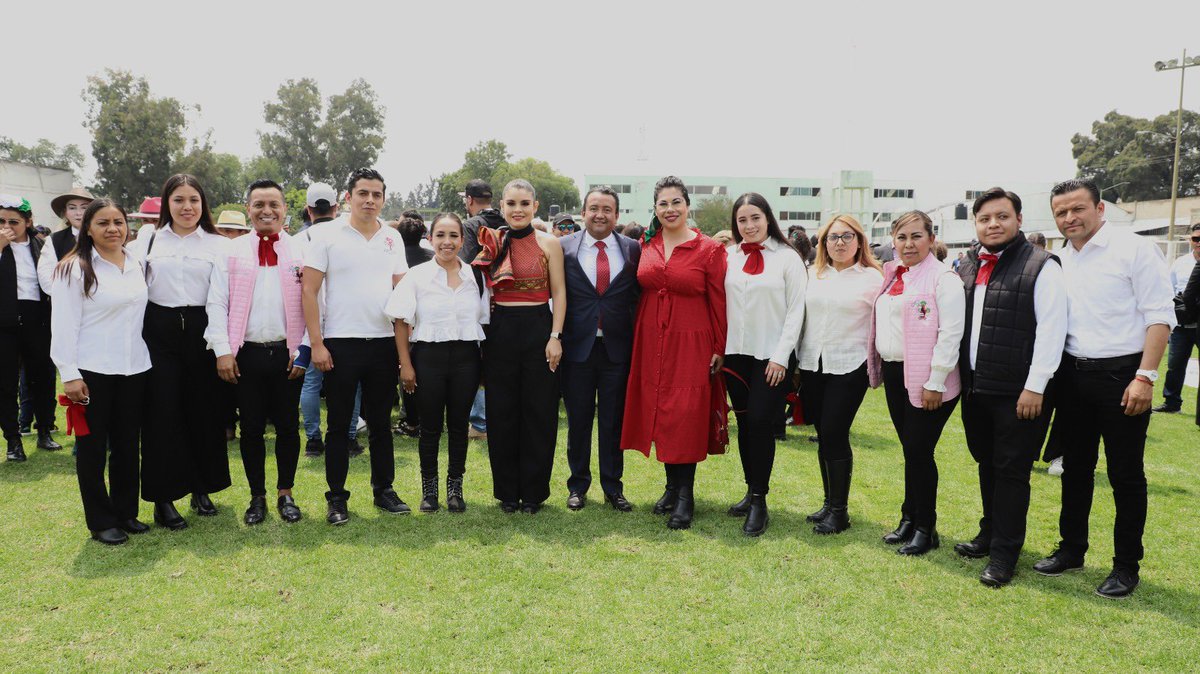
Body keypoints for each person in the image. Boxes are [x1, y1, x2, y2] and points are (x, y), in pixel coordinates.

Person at [1034, 178, 1175, 599]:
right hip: (1073, 377)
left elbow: (1159, 317)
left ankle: (1126, 566)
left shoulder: (1134, 250)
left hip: (1123, 376)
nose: (1069, 218)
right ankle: (1071, 549)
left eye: (1077, 208)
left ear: (1100, 209)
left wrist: (1145, 377)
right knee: (1075, 468)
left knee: (1125, 474)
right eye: (1061, 212)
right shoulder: (1061, 259)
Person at [955, 187, 1067, 588]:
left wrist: (1035, 386)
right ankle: (989, 532)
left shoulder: (1041, 265)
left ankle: (1005, 553)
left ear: (1018, 219)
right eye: (985, 218)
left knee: (1012, 471)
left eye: (1001, 216)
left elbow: (1052, 331)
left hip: (1020, 392)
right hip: (976, 387)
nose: (993, 224)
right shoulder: (967, 264)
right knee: (987, 462)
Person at [303, 168, 410, 525]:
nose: (369, 200)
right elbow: (309, 291)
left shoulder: (392, 238)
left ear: (383, 198)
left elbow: (403, 295)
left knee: (380, 423)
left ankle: (384, 491)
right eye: (363, 193)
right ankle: (336, 497)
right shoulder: (327, 235)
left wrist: (402, 351)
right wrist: (316, 344)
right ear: (347, 196)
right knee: (338, 427)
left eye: (376, 194)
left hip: (382, 344)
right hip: (340, 344)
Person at [622, 176, 728, 530]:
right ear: (655, 208)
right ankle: (670, 487)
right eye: (663, 204)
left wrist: (718, 346)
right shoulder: (646, 243)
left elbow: (718, 300)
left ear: (687, 206)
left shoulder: (708, 249)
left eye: (676, 202)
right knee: (660, 412)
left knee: (685, 414)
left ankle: (686, 494)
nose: (670, 209)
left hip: (691, 339)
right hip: (652, 338)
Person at [205, 180, 309, 525]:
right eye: (259, 204)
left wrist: (305, 349)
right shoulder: (231, 252)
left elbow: (316, 304)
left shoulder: (301, 250)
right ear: (248, 209)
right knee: (250, 429)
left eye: (274, 205)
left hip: (288, 354)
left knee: (288, 428)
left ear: (285, 210)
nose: (267, 211)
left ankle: (286, 493)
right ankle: (257, 496)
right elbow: (217, 302)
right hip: (245, 354)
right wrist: (222, 350)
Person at [51, 199, 152, 544]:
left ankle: (126, 512)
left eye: (118, 222)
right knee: (92, 450)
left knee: (127, 445)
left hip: (135, 368)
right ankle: (100, 520)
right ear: (87, 229)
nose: (112, 229)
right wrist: (69, 373)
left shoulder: (136, 262)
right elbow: (63, 326)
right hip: (92, 372)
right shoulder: (74, 268)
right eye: (103, 223)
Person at [867, 210, 965, 556]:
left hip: (928, 378)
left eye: (916, 236)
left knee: (920, 451)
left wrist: (936, 379)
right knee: (911, 450)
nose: (908, 244)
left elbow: (951, 333)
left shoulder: (943, 279)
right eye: (902, 237)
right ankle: (909, 518)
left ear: (931, 239)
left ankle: (927, 527)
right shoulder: (893, 274)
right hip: (897, 374)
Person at [137, 174, 232, 530]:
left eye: (194, 199)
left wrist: (221, 347)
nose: (187, 207)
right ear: (167, 203)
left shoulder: (217, 244)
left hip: (201, 330)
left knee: (203, 412)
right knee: (162, 414)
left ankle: (201, 487)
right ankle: (163, 498)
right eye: (179, 200)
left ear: (203, 204)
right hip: (158, 332)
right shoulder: (148, 239)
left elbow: (220, 299)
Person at [471, 179, 566, 514]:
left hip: (540, 329)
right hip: (501, 332)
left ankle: (534, 494)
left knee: (539, 413)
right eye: (511, 204)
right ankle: (507, 493)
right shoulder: (492, 242)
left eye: (524, 203)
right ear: (502, 206)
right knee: (502, 413)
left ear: (535, 206)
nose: (518, 210)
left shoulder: (550, 243)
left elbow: (560, 293)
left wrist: (555, 337)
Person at [386, 212, 488, 513]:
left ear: (462, 239)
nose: (447, 242)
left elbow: (485, 320)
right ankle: (429, 491)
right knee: (430, 428)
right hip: (428, 357)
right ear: (430, 239)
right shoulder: (417, 276)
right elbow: (401, 322)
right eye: (440, 235)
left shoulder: (475, 276)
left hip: (467, 358)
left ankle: (455, 487)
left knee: (459, 427)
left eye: (453, 236)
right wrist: (405, 364)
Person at [723, 193, 806, 536]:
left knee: (760, 421)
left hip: (771, 357)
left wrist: (781, 356)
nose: (750, 225)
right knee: (744, 424)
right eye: (742, 220)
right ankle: (749, 489)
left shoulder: (787, 259)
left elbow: (796, 310)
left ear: (768, 218)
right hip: (735, 354)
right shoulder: (728, 256)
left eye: (755, 217)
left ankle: (760, 500)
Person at [797, 215, 883, 535]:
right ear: (823, 243)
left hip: (851, 364)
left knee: (834, 431)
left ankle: (840, 511)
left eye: (847, 236)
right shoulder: (812, 275)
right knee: (823, 432)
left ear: (860, 241)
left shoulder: (873, 278)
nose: (840, 243)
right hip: (813, 363)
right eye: (833, 237)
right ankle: (828, 503)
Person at [559, 186, 641, 512]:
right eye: (594, 208)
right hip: (576, 347)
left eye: (607, 209)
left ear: (616, 215)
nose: (600, 215)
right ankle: (578, 486)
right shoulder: (563, 248)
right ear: (583, 212)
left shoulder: (633, 249)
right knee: (578, 421)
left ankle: (613, 487)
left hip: (617, 349)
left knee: (613, 423)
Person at [295, 182, 363, 458]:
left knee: (311, 383)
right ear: (336, 207)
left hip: (310, 323)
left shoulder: (298, 240)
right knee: (352, 383)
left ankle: (313, 440)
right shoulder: (347, 234)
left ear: (308, 210)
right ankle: (348, 437)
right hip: (343, 320)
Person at [1, 196, 60, 460]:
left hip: (37, 317)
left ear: (28, 222)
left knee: (42, 377)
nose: (7, 226)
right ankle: (13, 439)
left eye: (13, 221)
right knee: (5, 383)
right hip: (5, 320)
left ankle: (45, 430)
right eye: (1, 221)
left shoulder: (42, 245)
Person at [458, 180, 502, 441]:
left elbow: (464, 266)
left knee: (478, 359)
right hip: (509, 299)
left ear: (470, 200)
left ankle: (480, 422)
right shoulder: (507, 221)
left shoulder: (471, 225)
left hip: (481, 300)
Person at [1154, 222, 1200, 414]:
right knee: (1174, 365)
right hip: (1181, 324)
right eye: (1196, 238)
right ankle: (1171, 402)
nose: (1199, 243)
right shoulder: (1181, 263)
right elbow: (1168, 289)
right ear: (1190, 240)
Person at [36, 186, 95, 297]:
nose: (78, 213)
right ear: (65, 213)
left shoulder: (102, 237)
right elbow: (46, 277)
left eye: (84, 208)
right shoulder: (54, 241)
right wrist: (68, 297)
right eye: (72, 208)